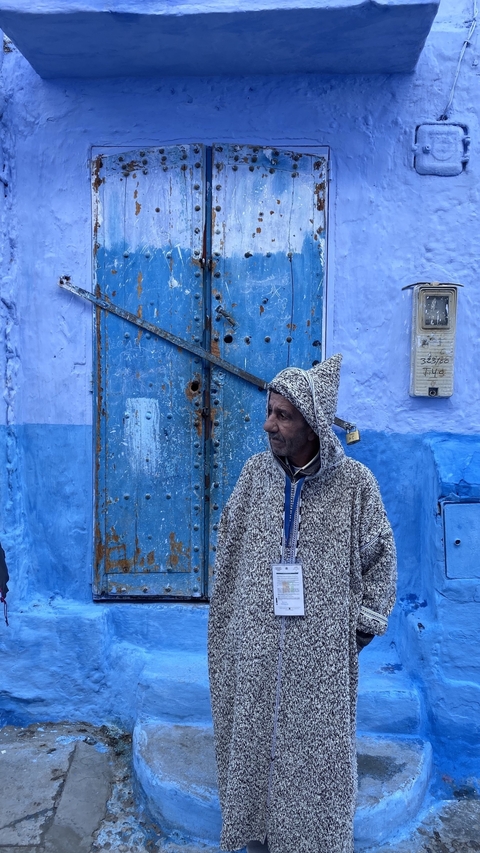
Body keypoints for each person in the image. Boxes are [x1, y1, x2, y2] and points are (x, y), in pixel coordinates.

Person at [208, 354, 397, 853]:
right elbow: (228, 546)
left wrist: (356, 628)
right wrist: (233, 622)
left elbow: (381, 558)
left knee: (315, 763)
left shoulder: (355, 486)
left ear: (312, 426)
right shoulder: (254, 476)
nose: (268, 424)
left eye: (283, 415)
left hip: (320, 664)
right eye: (270, 410)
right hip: (257, 649)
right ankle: (254, 836)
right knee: (251, 748)